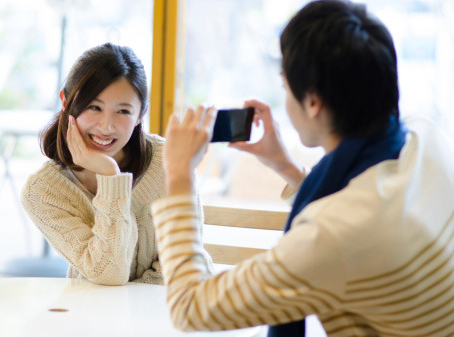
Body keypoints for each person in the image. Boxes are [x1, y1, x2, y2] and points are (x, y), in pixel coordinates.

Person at [151, 1, 454, 336]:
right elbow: (363, 203)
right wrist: (287, 167)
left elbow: (192, 308)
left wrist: (178, 175)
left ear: (312, 102)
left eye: (285, 86)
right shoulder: (425, 138)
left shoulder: (332, 236)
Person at [21, 43, 209, 285]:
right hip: (96, 314)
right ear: (65, 101)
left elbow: (184, 265)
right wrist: (111, 176)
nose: (106, 126)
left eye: (123, 111)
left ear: (141, 115)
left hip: (173, 308)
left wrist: (131, 307)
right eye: (94, 107)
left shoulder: (169, 160)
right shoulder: (43, 192)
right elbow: (109, 273)